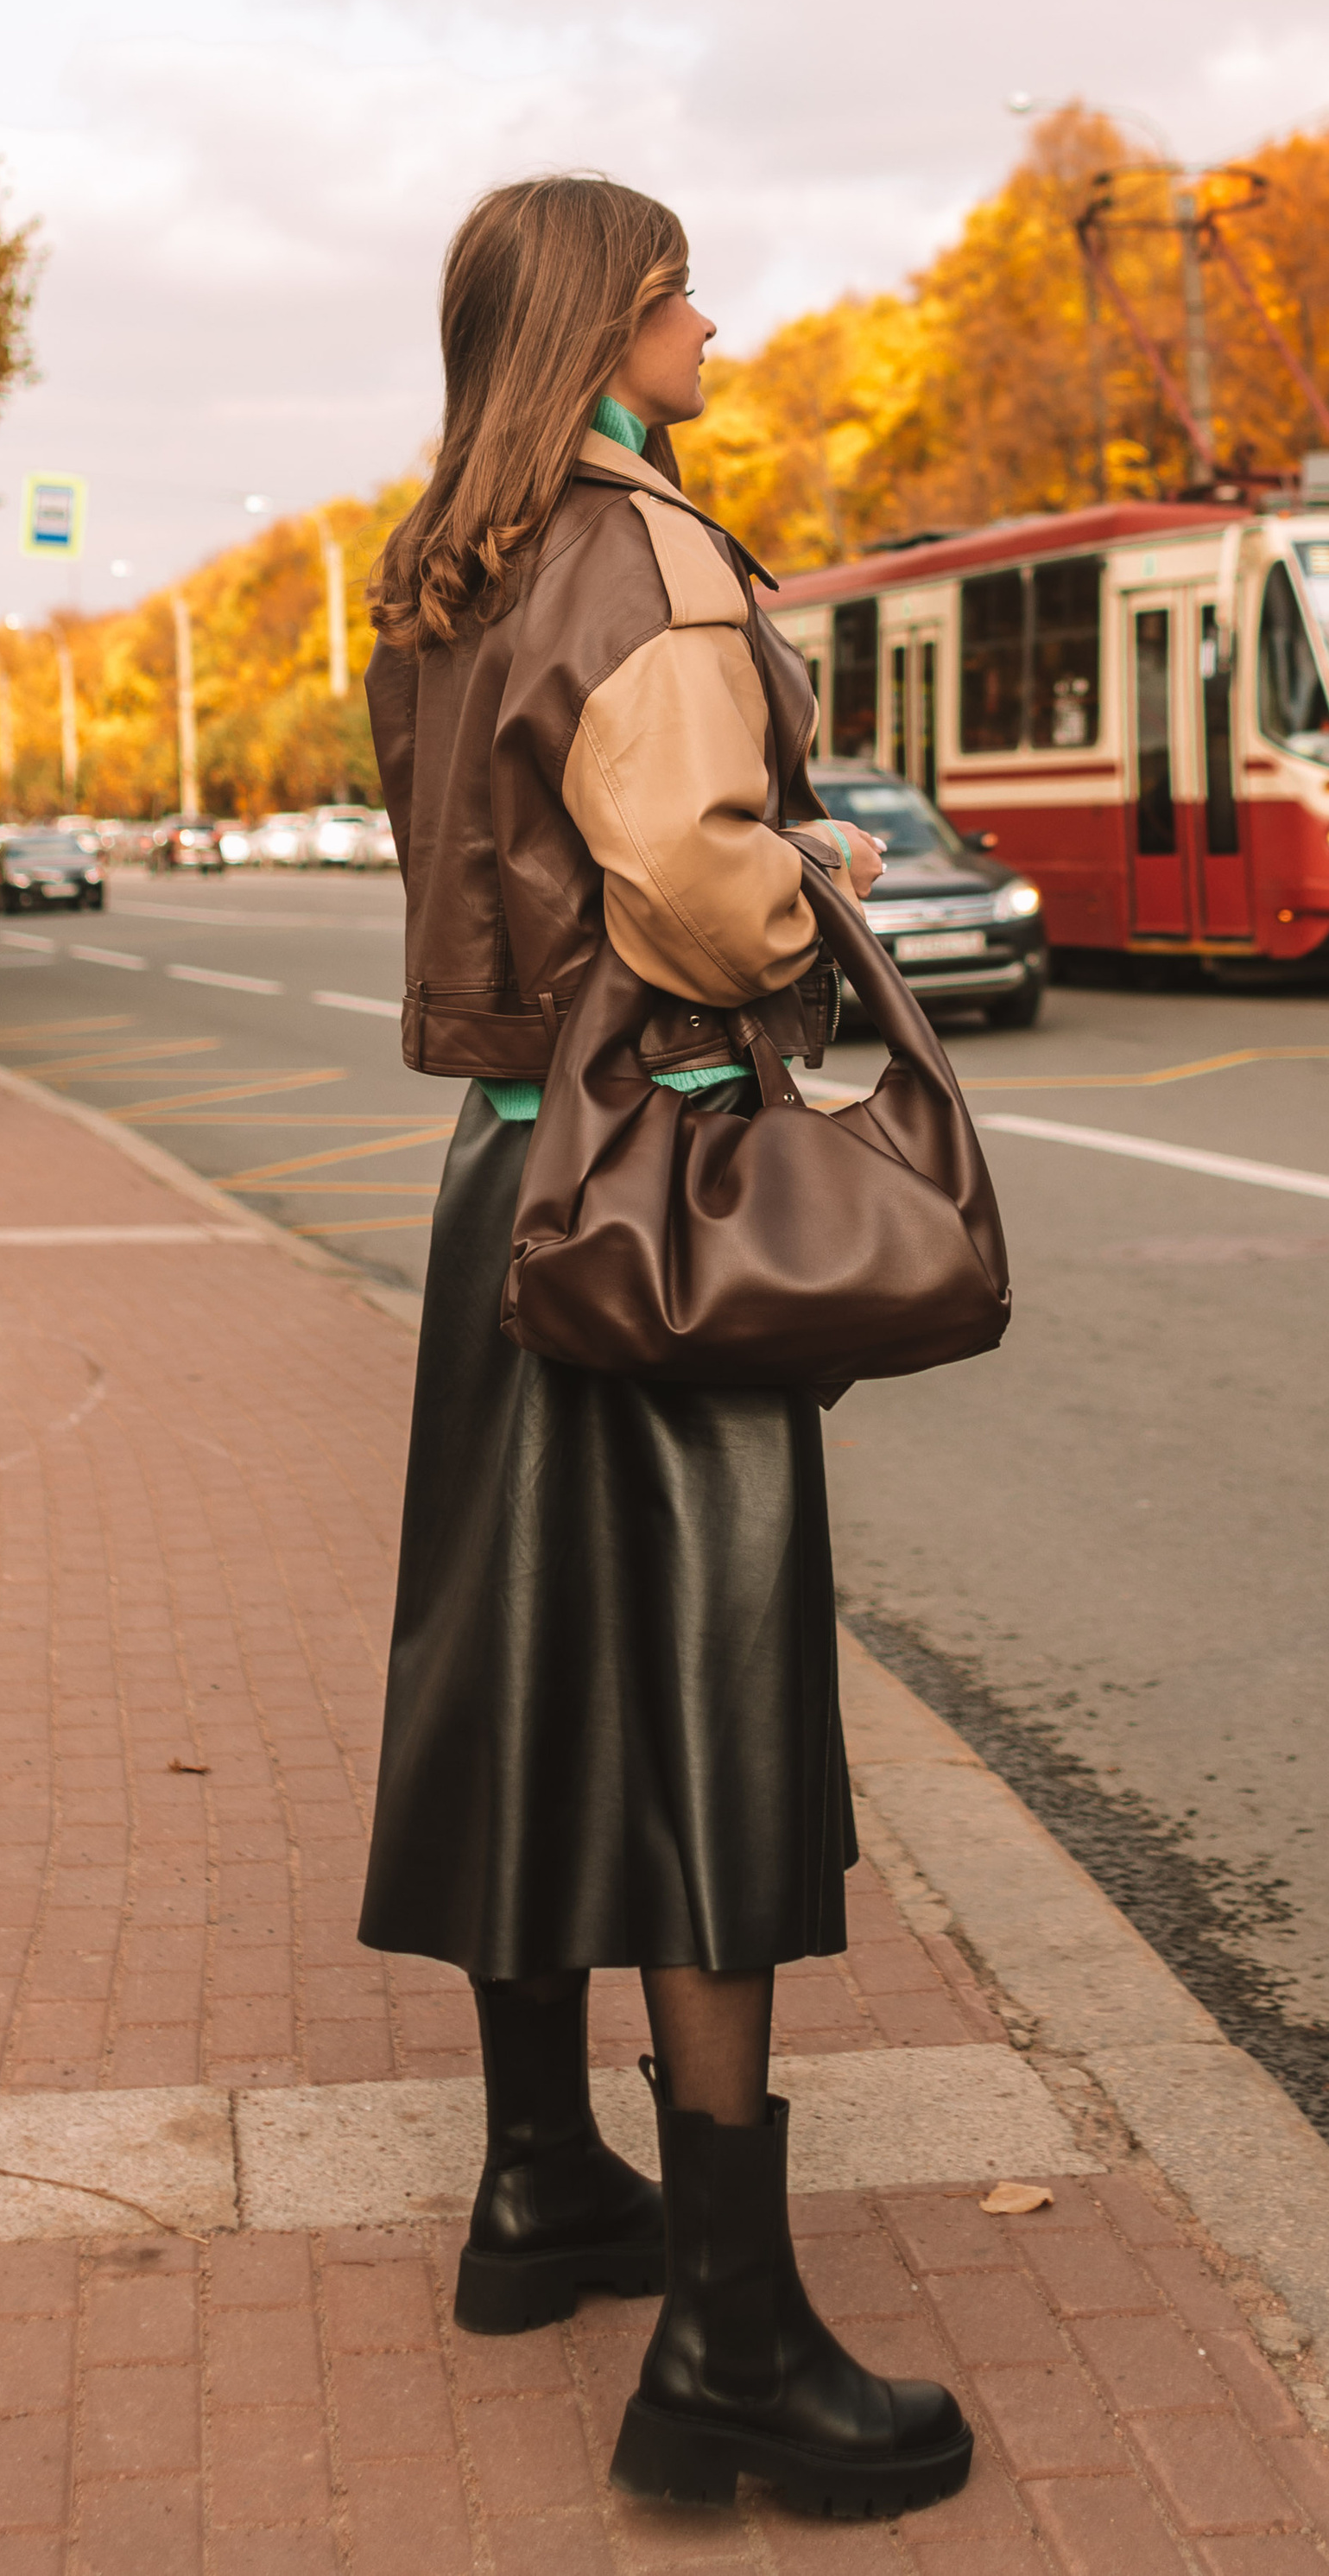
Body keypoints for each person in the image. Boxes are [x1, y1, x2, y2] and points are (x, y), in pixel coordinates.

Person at [357, 173, 972, 2522]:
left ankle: (543, 2186)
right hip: (668, 1195)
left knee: (517, 1676)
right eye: (681, 284)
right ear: (607, 325)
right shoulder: (645, 550)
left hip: (502, 1189)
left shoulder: (442, 571)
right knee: (711, 1725)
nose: (719, 317)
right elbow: (704, 881)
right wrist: (815, 895)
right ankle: (726, 2342)